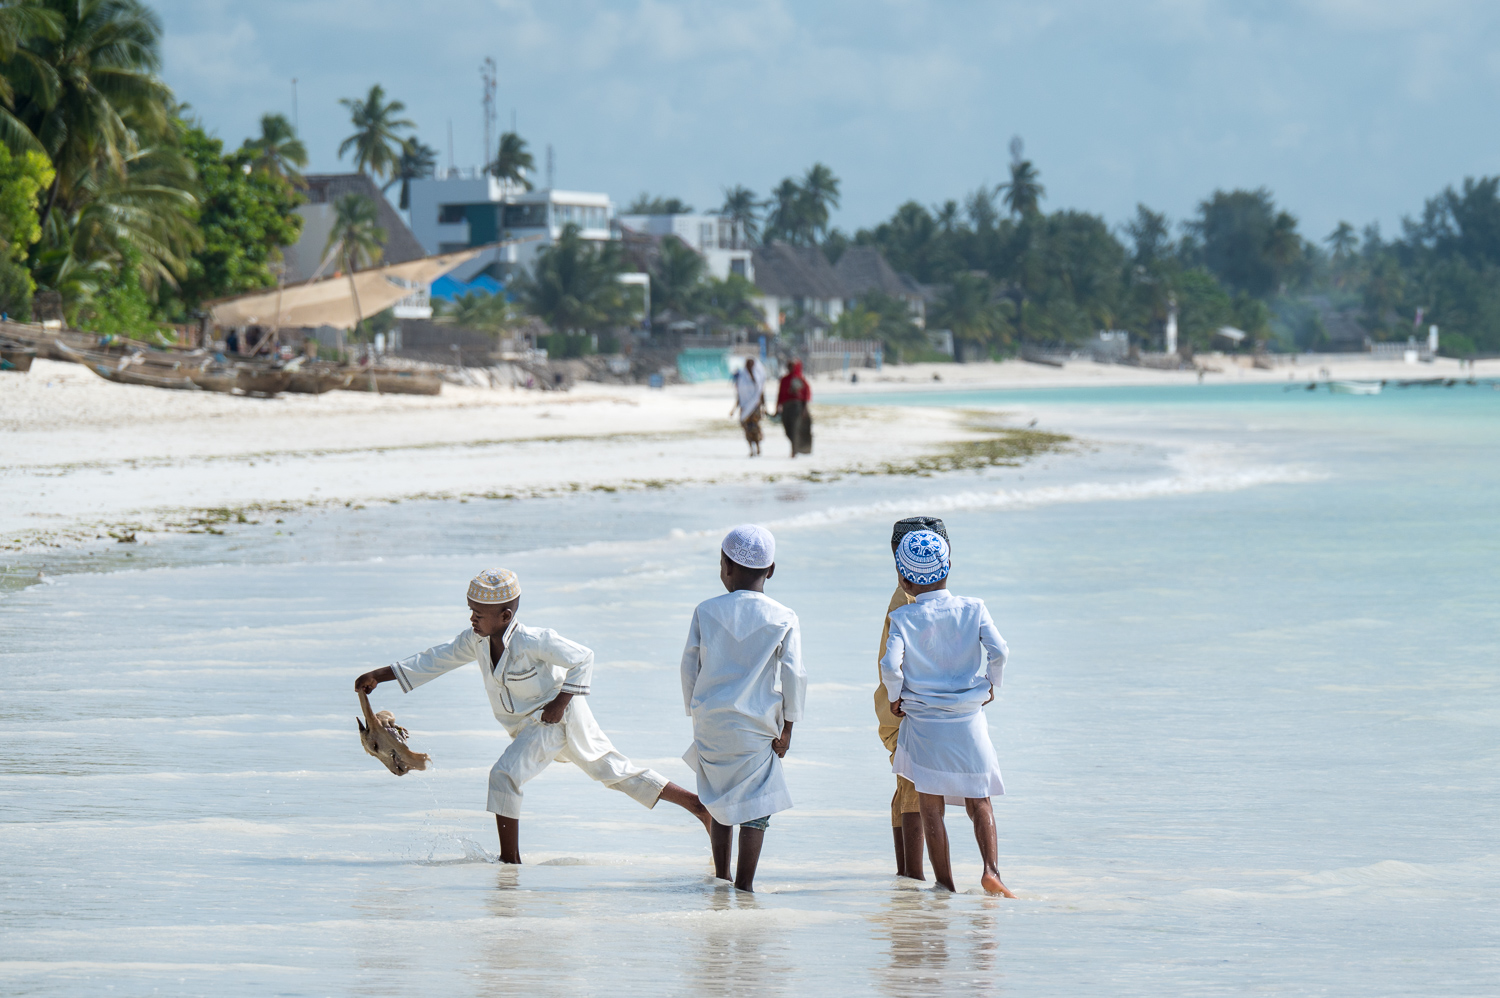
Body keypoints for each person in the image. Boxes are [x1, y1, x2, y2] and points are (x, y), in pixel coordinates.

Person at [355, 568, 710, 864]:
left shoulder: (533, 640)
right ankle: (699, 806)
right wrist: (378, 675)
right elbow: (433, 659)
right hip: (533, 726)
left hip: (554, 720)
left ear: (505, 616)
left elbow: (583, 657)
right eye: (470, 611)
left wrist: (561, 702)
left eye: (478, 614)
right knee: (617, 772)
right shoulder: (475, 640)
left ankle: (509, 864)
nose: (472, 619)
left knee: (504, 775)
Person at [880, 530, 1016, 897]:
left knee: (931, 807)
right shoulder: (974, 607)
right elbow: (999, 651)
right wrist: (991, 684)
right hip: (968, 720)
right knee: (980, 799)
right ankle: (991, 871)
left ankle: (945, 883)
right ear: (949, 566)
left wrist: (896, 697)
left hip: (924, 723)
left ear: (903, 578)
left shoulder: (903, 617)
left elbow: (891, 666)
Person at [680, 525, 805, 891]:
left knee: (719, 796)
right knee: (755, 804)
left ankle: (722, 876)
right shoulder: (784, 616)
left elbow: (689, 666)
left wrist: (695, 712)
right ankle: (745, 886)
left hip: (712, 720)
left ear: (725, 566)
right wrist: (789, 726)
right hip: (757, 723)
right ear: (771, 570)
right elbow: (795, 674)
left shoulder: (706, 611)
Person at [877, 516, 952, 880]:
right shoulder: (912, 603)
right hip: (908, 708)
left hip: (893, 706)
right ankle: (915, 876)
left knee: (904, 788)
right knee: (914, 790)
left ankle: (906, 876)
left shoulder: (905, 595)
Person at [775, 359, 813, 457]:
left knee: (795, 428)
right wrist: (777, 407)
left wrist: (804, 409)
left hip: (797, 407)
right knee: (787, 429)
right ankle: (795, 447)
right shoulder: (784, 380)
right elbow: (780, 394)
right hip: (786, 407)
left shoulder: (800, 379)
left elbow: (806, 395)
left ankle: (794, 450)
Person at [730, 358, 766, 457]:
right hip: (745, 408)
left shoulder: (757, 378)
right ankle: (751, 449)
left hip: (755, 408)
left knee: (755, 428)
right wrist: (734, 409)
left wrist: (764, 407)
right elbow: (740, 395)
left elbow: (761, 393)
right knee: (746, 429)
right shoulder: (742, 378)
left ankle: (758, 446)